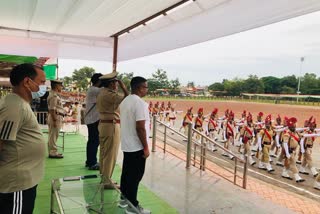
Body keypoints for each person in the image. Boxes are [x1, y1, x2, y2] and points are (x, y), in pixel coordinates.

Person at [0, 63, 46, 214]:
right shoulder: (14, 106)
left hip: (23, 180)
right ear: (27, 82)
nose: (43, 87)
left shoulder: (20, 104)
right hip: (16, 184)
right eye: (41, 82)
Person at [119, 76, 151, 214]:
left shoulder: (125, 101)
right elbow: (140, 127)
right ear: (139, 88)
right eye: (146, 87)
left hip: (127, 144)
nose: (147, 89)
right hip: (137, 146)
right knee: (135, 176)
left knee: (126, 174)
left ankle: (123, 200)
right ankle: (133, 206)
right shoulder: (139, 103)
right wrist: (145, 147)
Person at [96, 72, 128, 188]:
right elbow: (127, 96)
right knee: (110, 154)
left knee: (104, 152)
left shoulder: (102, 93)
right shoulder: (110, 95)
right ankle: (106, 181)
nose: (117, 84)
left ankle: (104, 177)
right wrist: (124, 87)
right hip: (111, 126)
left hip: (104, 125)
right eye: (115, 82)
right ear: (111, 84)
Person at [84, 73, 102, 170]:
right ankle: (92, 162)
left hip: (91, 119)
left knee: (92, 141)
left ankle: (90, 161)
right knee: (94, 141)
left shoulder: (92, 89)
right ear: (99, 81)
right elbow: (109, 91)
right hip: (93, 119)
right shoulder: (96, 90)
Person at [281, 117, 305, 183]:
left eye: (294, 126)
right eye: (293, 126)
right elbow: (285, 144)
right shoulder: (287, 134)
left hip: (294, 151)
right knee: (293, 164)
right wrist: (287, 153)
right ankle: (297, 177)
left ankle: (284, 173)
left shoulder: (296, 133)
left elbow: (301, 138)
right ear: (289, 127)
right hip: (289, 151)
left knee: (288, 164)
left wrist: (302, 148)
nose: (294, 127)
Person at [47, 79, 65, 158]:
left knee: (53, 135)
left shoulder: (55, 94)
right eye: (60, 85)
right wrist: (54, 120)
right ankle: (53, 152)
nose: (61, 87)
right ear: (57, 86)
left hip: (56, 116)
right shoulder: (53, 95)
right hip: (56, 116)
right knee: (53, 135)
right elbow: (52, 109)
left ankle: (52, 151)